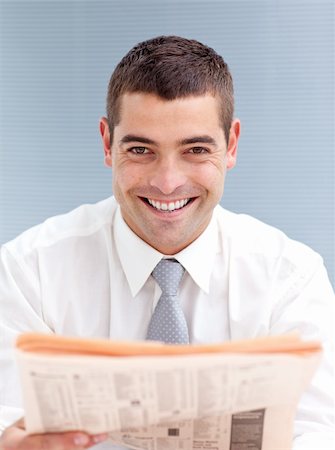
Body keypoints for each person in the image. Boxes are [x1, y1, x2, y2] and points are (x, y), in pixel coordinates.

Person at [0, 35, 334, 450]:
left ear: (230, 145)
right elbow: (8, 421)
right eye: (141, 149)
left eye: (196, 149)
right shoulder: (28, 271)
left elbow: (317, 434)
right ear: (107, 144)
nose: (167, 182)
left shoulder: (291, 279)